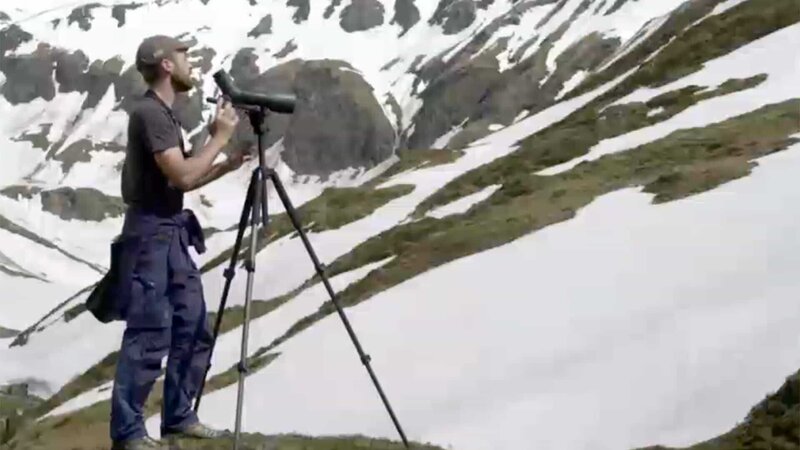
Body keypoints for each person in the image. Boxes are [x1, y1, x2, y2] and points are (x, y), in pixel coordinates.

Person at [110, 35, 249, 450]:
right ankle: (129, 434)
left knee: (192, 325)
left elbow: (183, 178)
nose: (191, 62)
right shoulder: (151, 114)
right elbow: (183, 177)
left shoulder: (164, 115)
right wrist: (220, 138)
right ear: (166, 65)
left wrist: (226, 164)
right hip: (150, 236)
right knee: (150, 331)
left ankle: (178, 417)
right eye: (184, 55)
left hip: (170, 232)